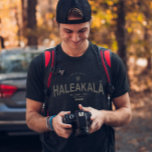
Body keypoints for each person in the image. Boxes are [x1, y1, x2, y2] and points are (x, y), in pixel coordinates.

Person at [26, 0, 132, 152]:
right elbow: (31, 118)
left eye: (82, 31)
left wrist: (103, 116)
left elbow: (126, 113)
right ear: (57, 24)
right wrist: (51, 122)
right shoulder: (42, 64)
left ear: (90, 23)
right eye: (68, 31)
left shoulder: (109, 61)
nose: (75, 38)